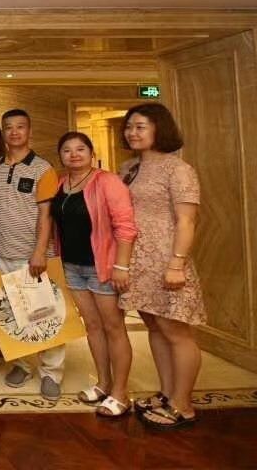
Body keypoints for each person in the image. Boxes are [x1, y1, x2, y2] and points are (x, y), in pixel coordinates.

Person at [120, 103, 204, 429]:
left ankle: (183, 404)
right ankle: (168, 393)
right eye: (129, 126)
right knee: (155, 327)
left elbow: (187, 221)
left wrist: (177, 264)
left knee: (176, 331)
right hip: (137, 261)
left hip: (167, 260)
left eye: (140, 126)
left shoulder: (178, 169)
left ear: (160, 129)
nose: (132, 132)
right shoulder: (128, 167)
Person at [52, 132, 136, 417]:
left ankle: (120, 393)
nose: (74, 154)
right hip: (72, 266)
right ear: (60, 156)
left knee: (114, 328)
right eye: (67, 150)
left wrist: (121, 266)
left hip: (102, 266)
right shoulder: (62, 183)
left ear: (91, 152)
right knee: (92, 326)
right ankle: (103, 384)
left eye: (80, 149)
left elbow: (126, 226)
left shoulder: (107, 181)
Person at [0, 109, 63, 400]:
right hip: (2, 250)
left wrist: (40, 252)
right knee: (13, 313)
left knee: (44, 314)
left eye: (20, 127)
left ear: (29, 131)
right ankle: (22, 364)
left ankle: (51, 372)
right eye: (8, 127)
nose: (14, 132)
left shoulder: (43, 169)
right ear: (3, 133)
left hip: (33, 254)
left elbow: (46, 215)